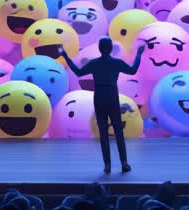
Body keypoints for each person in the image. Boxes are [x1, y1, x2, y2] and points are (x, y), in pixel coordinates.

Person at [58, 38, 143, 174]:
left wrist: (66, 57)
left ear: (99, 48)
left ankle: (107, 165)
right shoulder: (116, 62)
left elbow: (78, 72)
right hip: (112, 96)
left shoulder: (94, 63)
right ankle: (124, 163)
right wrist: (139, 54)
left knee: (103, 132)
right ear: (110, 48)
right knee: (118, 131)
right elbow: (133, 70)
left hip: (99, 97)